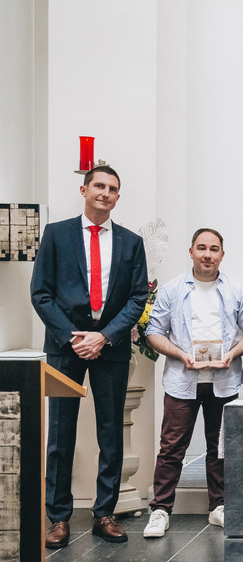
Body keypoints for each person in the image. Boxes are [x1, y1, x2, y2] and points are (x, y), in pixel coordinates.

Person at [30, 165, 149, 547]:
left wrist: (104, 336)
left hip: (110, 349)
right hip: (65, 349)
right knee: (60, 436)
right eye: (99, 185)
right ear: (84, 190)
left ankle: (104, 514)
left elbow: (136, 298)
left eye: (113, 188)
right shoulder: (56, 234)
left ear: (117, 196)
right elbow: (41, 293)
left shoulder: (131, 242)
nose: (105, 192)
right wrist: (72, 337)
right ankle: (58, 519)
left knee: (111, 434)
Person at [143, 228, 243, 537]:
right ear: (191, 251)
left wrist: (232, 353)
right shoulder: (172, 289)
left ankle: (218, 507)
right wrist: (181, 355)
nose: (207, 254)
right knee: (171, 447)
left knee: (220, 448)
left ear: (222, 254)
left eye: (214, 248)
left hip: (224, 379)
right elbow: (153, 332)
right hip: (182, 380)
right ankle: (161, 510)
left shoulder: (237, 290)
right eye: (202, 248)